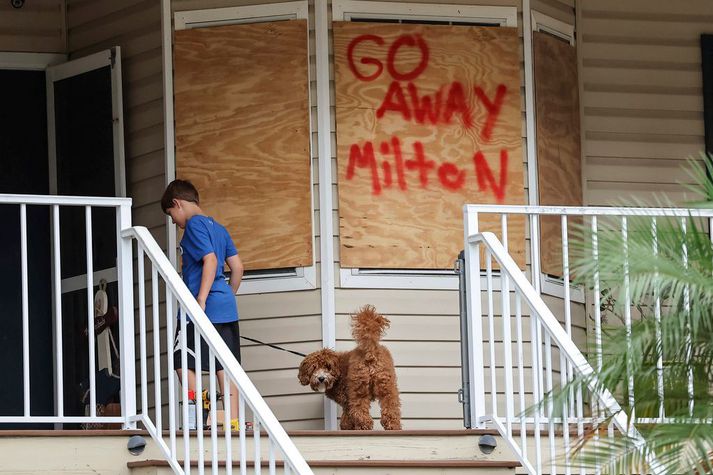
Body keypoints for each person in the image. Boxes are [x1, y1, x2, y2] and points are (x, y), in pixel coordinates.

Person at [161, 179, 244, 431]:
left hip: (201, 308)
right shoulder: (218, 228)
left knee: (182, 360)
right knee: (225, 365)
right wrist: (224, 297)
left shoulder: (194, 226)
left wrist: (201, 300)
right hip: (225, 307)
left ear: (177, 204)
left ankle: (200, 406)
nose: (175, 222)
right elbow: (238, 268)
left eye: (171, 215)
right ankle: (232, 421)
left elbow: (209, 260)